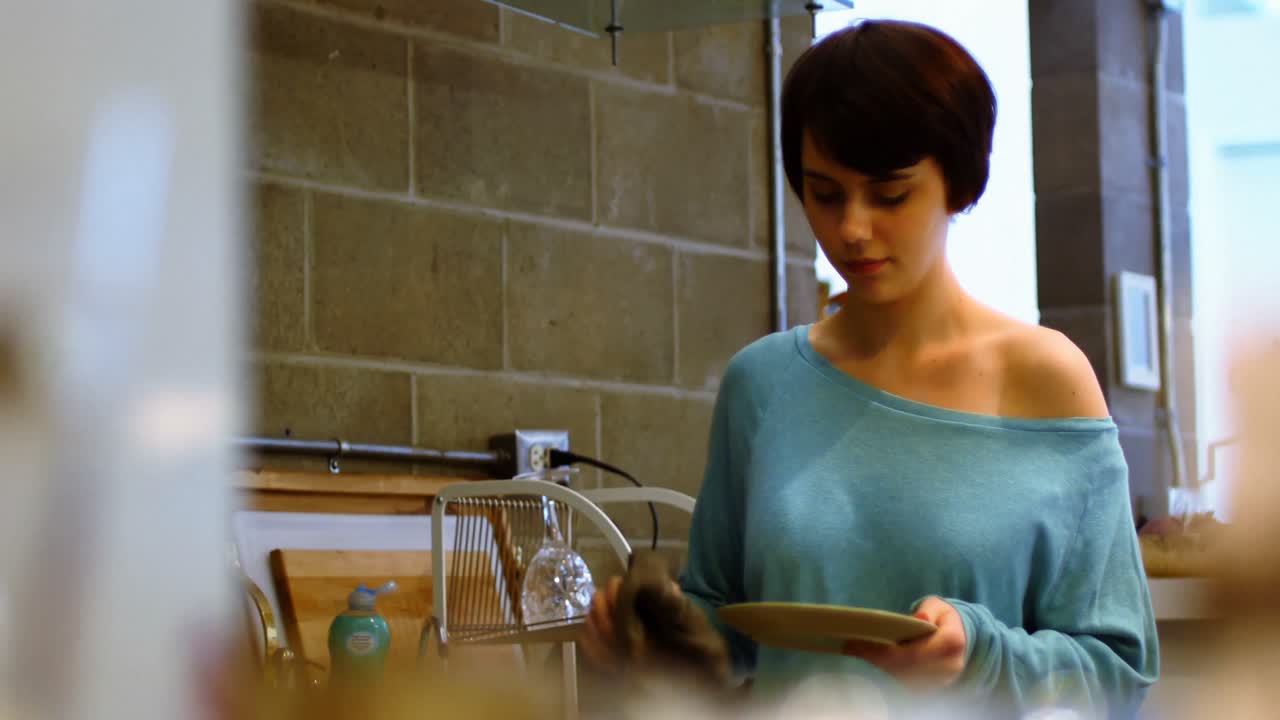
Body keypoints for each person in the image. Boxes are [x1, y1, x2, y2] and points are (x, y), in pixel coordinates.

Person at [581, 18, 1158, 718]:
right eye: (825, 194)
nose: (852, 229)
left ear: (960, 183)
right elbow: (721, 633)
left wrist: (981, 657)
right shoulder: (762, 383)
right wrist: (647, 639)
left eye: (890, 195)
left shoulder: (1045, 378)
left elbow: (1119, 674)